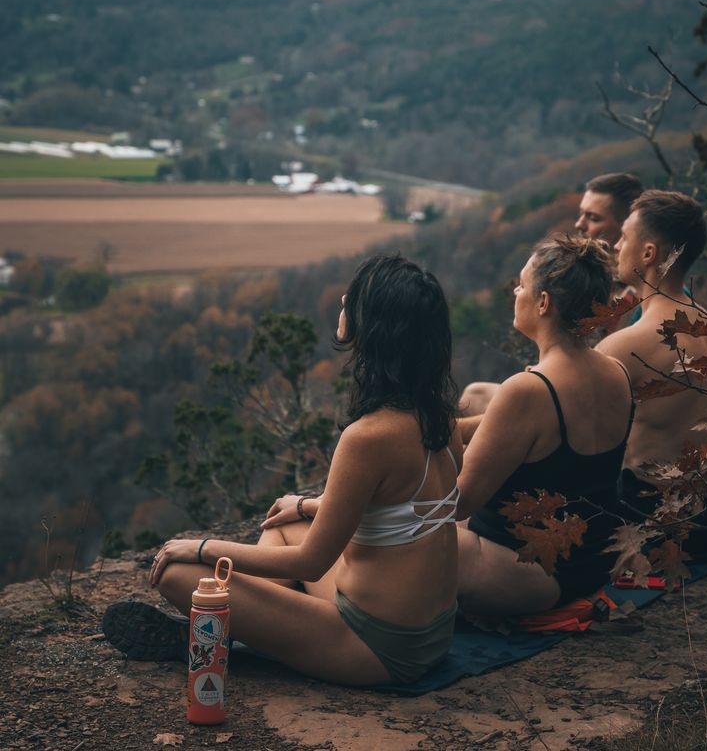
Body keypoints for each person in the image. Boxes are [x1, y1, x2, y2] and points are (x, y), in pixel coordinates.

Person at [103, 253, 463, 686]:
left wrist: (200, 546)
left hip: (380, 648)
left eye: (356, 296)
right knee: (285, 522)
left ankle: (217, 635)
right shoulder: (438, 417)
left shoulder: (368, 436)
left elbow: (311, 564)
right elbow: (400, 505)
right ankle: (233, 630)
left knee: (180, 574)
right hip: (429, 634)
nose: (345, 298)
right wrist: (308, 505)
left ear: (377, 328)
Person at [455, 235, 636, 615]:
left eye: (522, 284)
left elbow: (455, 504)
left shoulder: (528, 390)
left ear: (543, 302)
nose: (516, 292)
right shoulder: (617, 371)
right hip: (593, 566)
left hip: (528, 575)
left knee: (393, 536)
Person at [594, 190, 707, 520]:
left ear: (648, 253)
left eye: (624, 237)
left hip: (650, 516)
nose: (615, 246)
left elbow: (558, 422)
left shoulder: (628, 345)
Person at [460, 171, 643, 416]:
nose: (580, 224)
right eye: (581, 214)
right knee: (476, 393)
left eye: (593, 217)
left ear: (625, 229)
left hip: (578, 408)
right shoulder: (602, 284)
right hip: (564, 389)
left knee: (482, 400)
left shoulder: (631, 300)